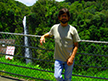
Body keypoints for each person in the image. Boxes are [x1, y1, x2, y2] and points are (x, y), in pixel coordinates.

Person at [40, 8, 80, 81]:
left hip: (69, 58)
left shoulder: (73, 30)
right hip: (58, 58)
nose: (64, 17)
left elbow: (76, 45)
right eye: (62, 16)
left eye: (65, 16)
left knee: (68, 78)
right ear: (59, 17)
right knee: (57, 76)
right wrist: (43, 36)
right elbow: (50, 34)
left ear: (68, 17)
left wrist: (72, 58)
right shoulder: (55, 27)